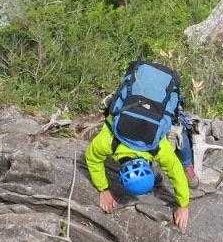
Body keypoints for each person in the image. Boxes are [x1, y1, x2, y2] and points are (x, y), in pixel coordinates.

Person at [85, 76, 199, 229]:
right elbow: (92, 158)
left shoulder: (154, 146)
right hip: (140, 96)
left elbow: (176, 170)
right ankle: (188, 165)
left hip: (152, 95)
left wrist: (104, 189)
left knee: (180, 130)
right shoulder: (112, 142)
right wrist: (183, 204)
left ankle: (188, 164)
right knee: (178, 139)